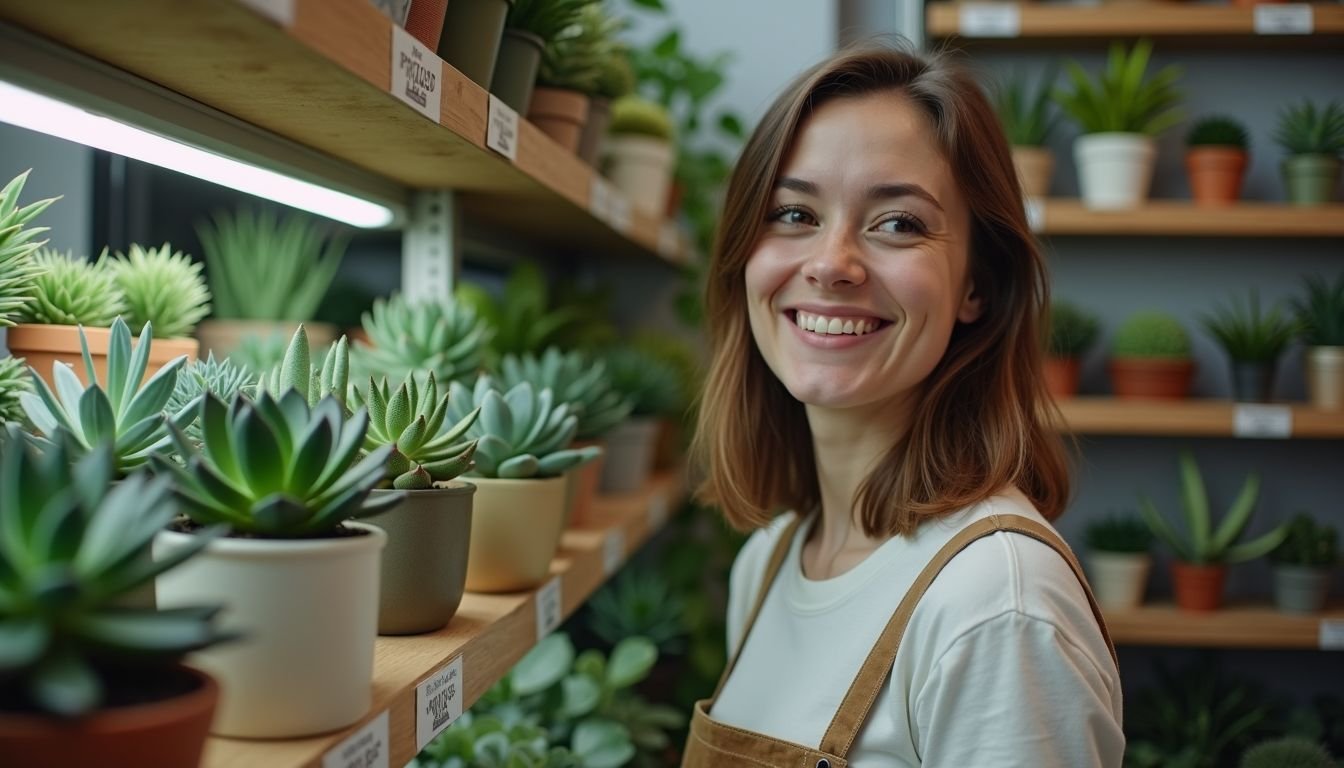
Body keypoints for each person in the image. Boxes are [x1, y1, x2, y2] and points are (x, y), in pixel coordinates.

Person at [684, 42, 1124, 767]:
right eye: (793, 213)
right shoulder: (768, 562)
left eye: (898, 223)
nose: (830, 264)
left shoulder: (996, 606)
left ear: (976, 286)